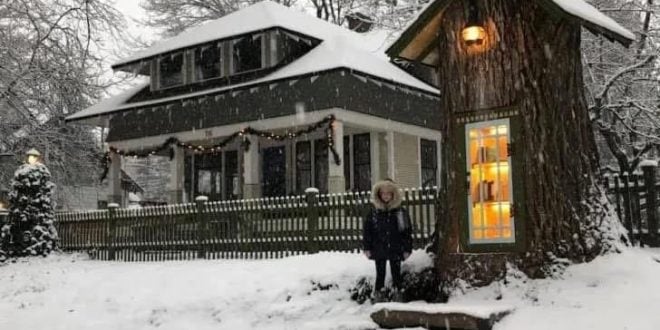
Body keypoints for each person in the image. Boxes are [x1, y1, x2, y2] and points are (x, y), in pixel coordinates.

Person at [362, 179, 413, 303]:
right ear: (379, 194)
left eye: (388, 193)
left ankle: (398, 296)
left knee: (396, 274)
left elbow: (406, 232)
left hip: (396, 248)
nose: (386, 196)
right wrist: (367, 247)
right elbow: (367, 231)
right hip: (379, 248)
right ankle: (379, 296)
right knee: (380, 274)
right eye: (383, 193)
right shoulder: (374, 213)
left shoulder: (400, 213)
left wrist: (407, 248)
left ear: (393, 194)